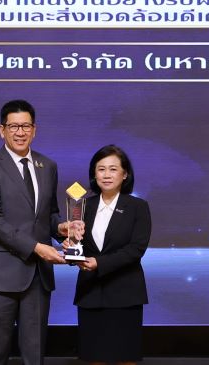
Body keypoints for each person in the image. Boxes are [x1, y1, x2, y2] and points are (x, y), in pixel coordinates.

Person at [0, 99, 69, 365]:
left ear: (34, 130)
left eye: (26, 126)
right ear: (1, 130)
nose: (20, 132)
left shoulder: (47, 166)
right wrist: (37, 248)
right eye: (13, 126)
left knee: (35, 355)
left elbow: (49, 215)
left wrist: (62, 228)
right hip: (0, 276)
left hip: (38, 277)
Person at [73, 145, 152, 365]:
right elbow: (77, 244)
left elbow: (136, 249)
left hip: (125, 294)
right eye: (101, 169)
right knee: (94, 357)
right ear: (94, 174)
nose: (106, 175)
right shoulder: (81, 206)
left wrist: (99, 263)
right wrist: (71, 247)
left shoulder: (138, 206)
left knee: (124, 358)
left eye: (113, 169)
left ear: (125, 174)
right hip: (90, 292)